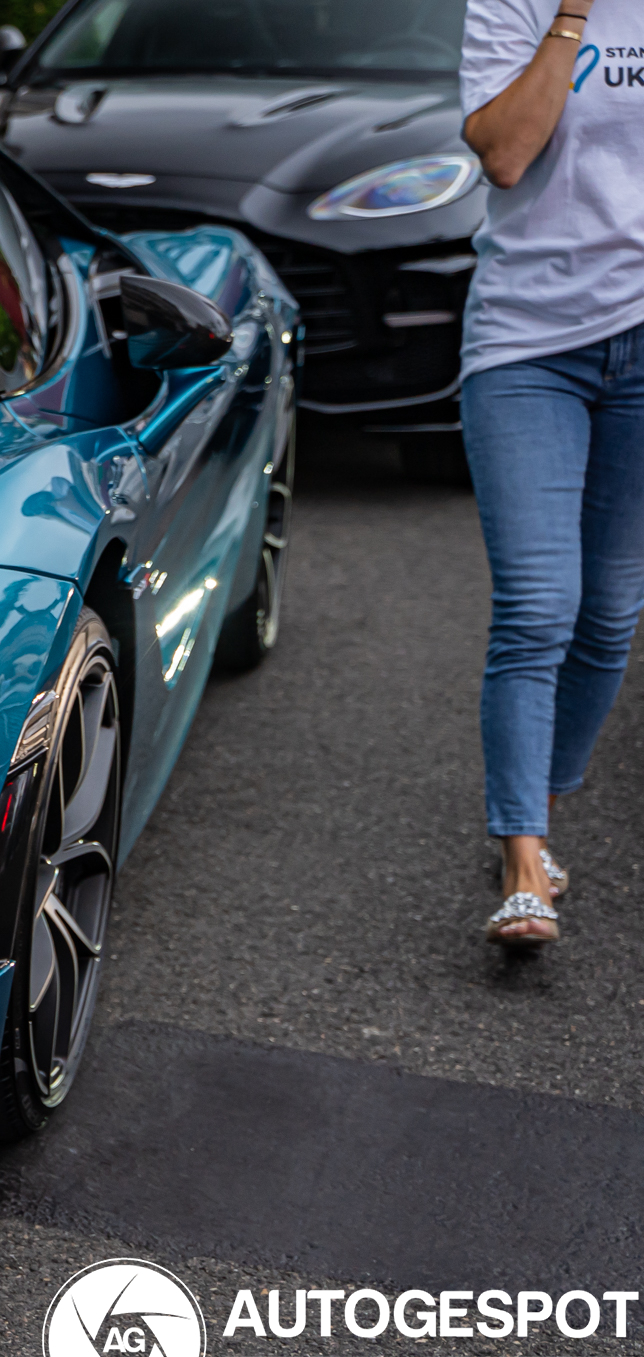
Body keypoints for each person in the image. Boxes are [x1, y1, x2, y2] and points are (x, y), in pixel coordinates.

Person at [457, 0, 644, 949]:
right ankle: (522, 858)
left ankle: (542, 805)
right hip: (529, 344)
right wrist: (570, 16)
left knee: (610, 611)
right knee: (539, 604)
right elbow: (505, 153)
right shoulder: (514, 4)